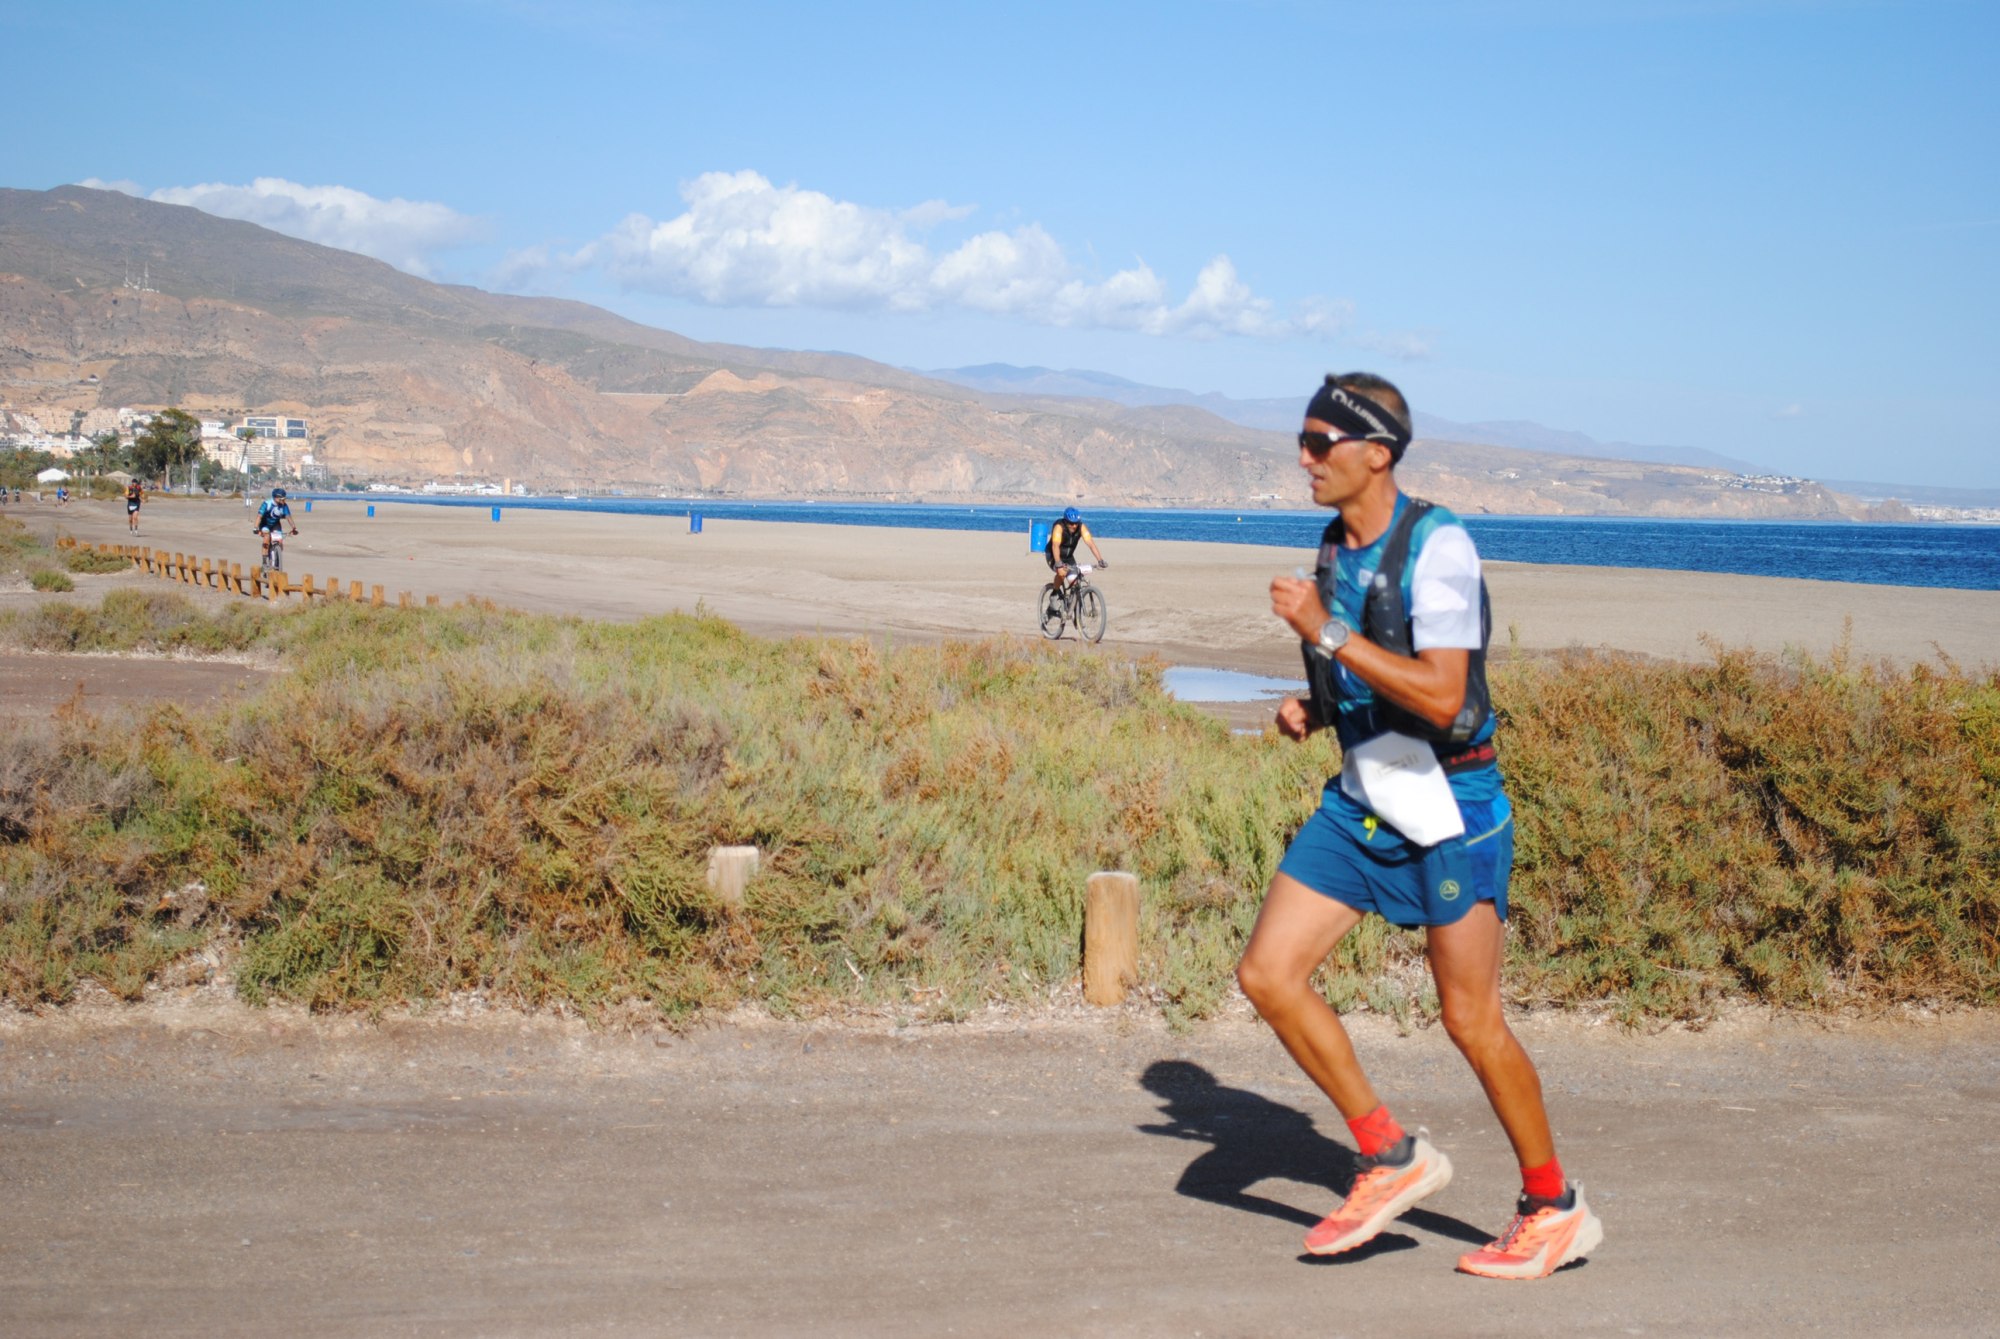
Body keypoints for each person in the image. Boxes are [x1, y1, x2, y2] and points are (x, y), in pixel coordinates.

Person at [1237, 372, 1602, 1280]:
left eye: (1320, 442)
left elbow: (1442, 695)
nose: (1304, 458)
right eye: (1302, 440)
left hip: (1451, 804)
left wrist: (1324, 635)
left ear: (1376, 453)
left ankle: (1554, 1207)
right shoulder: (1336, 545)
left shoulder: (1439, 547)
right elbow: (1374, 667)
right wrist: (1318, 707)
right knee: (1269, 973)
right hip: (1365, 794)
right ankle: (1389, 1154)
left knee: (1470, 1018)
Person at [1044, 506, 1107, 594]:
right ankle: (1055, 593)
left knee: (1075, 582)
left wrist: (1100, 560)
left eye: (1076, 523)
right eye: (1071, 523)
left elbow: (1090, 543)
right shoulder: (1059, 527)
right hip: (1053, 555)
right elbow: (1055, 546)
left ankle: (1073, 601)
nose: (1074, 526)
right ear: (1065, 521)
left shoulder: (1081, 527)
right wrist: (1058, 565)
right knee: (1062, 573)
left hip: (1068, 557)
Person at [254, 486, 297, 561]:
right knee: (267, 538)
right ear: (276, 498)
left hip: (275, 524)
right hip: (265, 524)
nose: (283, 500)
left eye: (284, 498)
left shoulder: (284, 505)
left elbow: (288, 517)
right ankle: (265, 560)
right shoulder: (267, 504)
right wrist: (256, 528)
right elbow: (259, 516)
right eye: (282, 499)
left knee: (280, 541)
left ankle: (277, 556)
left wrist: (294, 528)